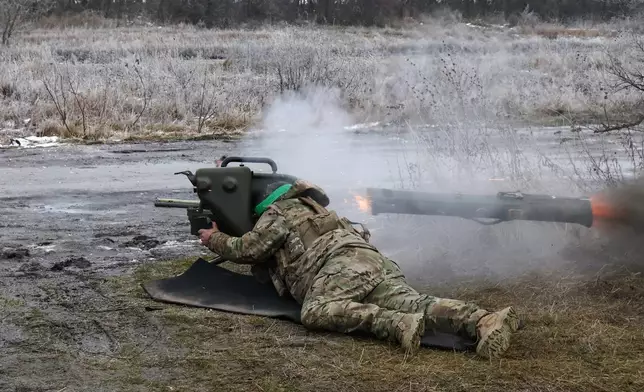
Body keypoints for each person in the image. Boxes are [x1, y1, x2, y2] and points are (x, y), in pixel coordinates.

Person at [197, 179, 520, 358]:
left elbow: (247, 249)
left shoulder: (278, 213)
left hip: (340, 266)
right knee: (415, 302)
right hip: (370, 260)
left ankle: (397, 325)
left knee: (316, 311)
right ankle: (484, 320)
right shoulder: (318, 211)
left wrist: (213, 238)